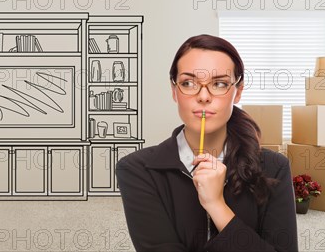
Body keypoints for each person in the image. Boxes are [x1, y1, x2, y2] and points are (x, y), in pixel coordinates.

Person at [116, 34, 298, 252]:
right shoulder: (137, 169)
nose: (203, 96)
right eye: (188, 83)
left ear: (237, 92)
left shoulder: (275, 167)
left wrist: (217, 205)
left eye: (219, 83)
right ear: (174, 91)